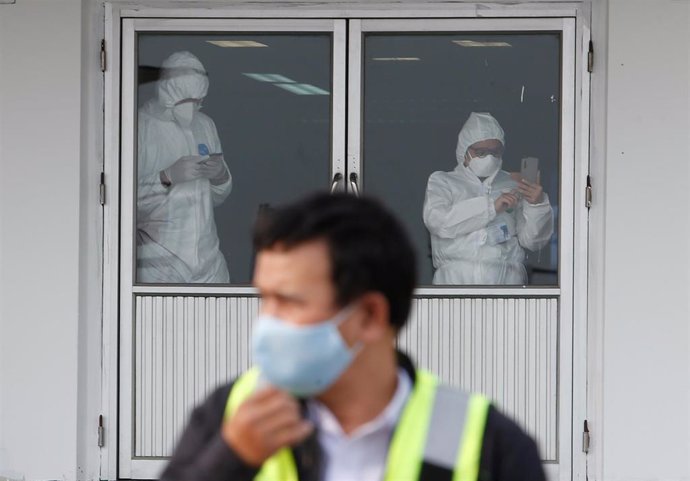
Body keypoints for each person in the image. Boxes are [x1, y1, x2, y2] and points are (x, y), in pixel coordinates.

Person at [160, 192, 546, 481]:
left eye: (289, 301)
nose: (266, 322)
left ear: (370, 315)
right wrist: (229, 460)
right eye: (265, 299)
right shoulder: (232, 414)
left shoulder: (487, 444)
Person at [423, 112, 553, 285]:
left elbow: (532, 242)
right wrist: (491, 207)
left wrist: (536, 204)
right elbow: (438, 221)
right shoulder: (443, 181)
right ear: (464, 150)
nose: (489, 157)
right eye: (481, 152)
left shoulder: (513, 184)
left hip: (508, 283)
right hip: (455, 283)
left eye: (495, 151)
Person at [137, 51, 232, 283]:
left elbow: (217, 198)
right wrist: (166, 177)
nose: (194, 107)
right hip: (159, 257)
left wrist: (220, 176)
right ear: (168, 92)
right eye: (187, 100)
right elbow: (125, 203)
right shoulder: (140, 127)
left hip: (209, 257)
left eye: (199, 100)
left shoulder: (205, 125)